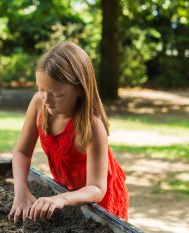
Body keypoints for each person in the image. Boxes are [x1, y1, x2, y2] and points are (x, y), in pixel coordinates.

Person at [8, 42, 128, 223]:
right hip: (67, 196)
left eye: (57, 94)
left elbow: (96, 187)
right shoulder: (39, 103)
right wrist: (21, 191)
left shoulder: (92, 125)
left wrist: (61, 199)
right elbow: (22, 152)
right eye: (41, 89)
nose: (46, 100)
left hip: (101, 203)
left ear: (80, 89)